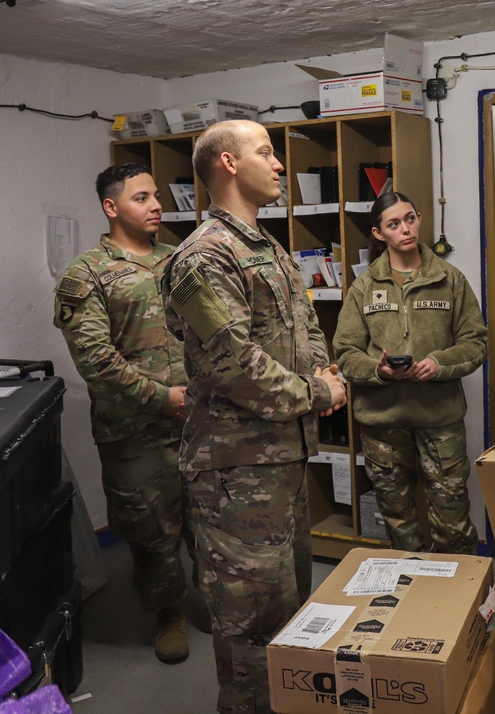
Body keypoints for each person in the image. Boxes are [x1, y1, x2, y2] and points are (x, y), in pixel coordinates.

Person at [161, 120, 347, 714]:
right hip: (234, 471)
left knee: (287, 610)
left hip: (281, 460)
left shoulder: (268, 248)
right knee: (249, 627)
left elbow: (307, 327)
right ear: (227, 163)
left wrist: (326, 374)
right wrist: (316, 393)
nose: (280, 164)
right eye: (266, 152)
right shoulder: (204, 257)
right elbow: (234, 366)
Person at [53, 163, 194, 664]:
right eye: (142, 197)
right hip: (135, 430)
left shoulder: (180, 259)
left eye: (156, 195)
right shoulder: (86, 274)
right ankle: (168, 610)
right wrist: (163, 398)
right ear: (112, 207)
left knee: (207, 519)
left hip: (199, 421)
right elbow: (96, 360)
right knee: (152, 530)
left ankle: (220, 603)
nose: (156, 204)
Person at [332, 192, 487, 554]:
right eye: (394, 224)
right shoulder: (364, 286)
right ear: (379, 233)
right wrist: (380, 370)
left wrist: (437, 363)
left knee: (452, 518)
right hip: (381, 424)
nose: (406, 229)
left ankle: (456, 600)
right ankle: (413, 599)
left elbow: (475, 342)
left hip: (439, 418)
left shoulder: (450, 280)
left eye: (410, 219)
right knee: (397, 519)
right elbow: (346, 353)